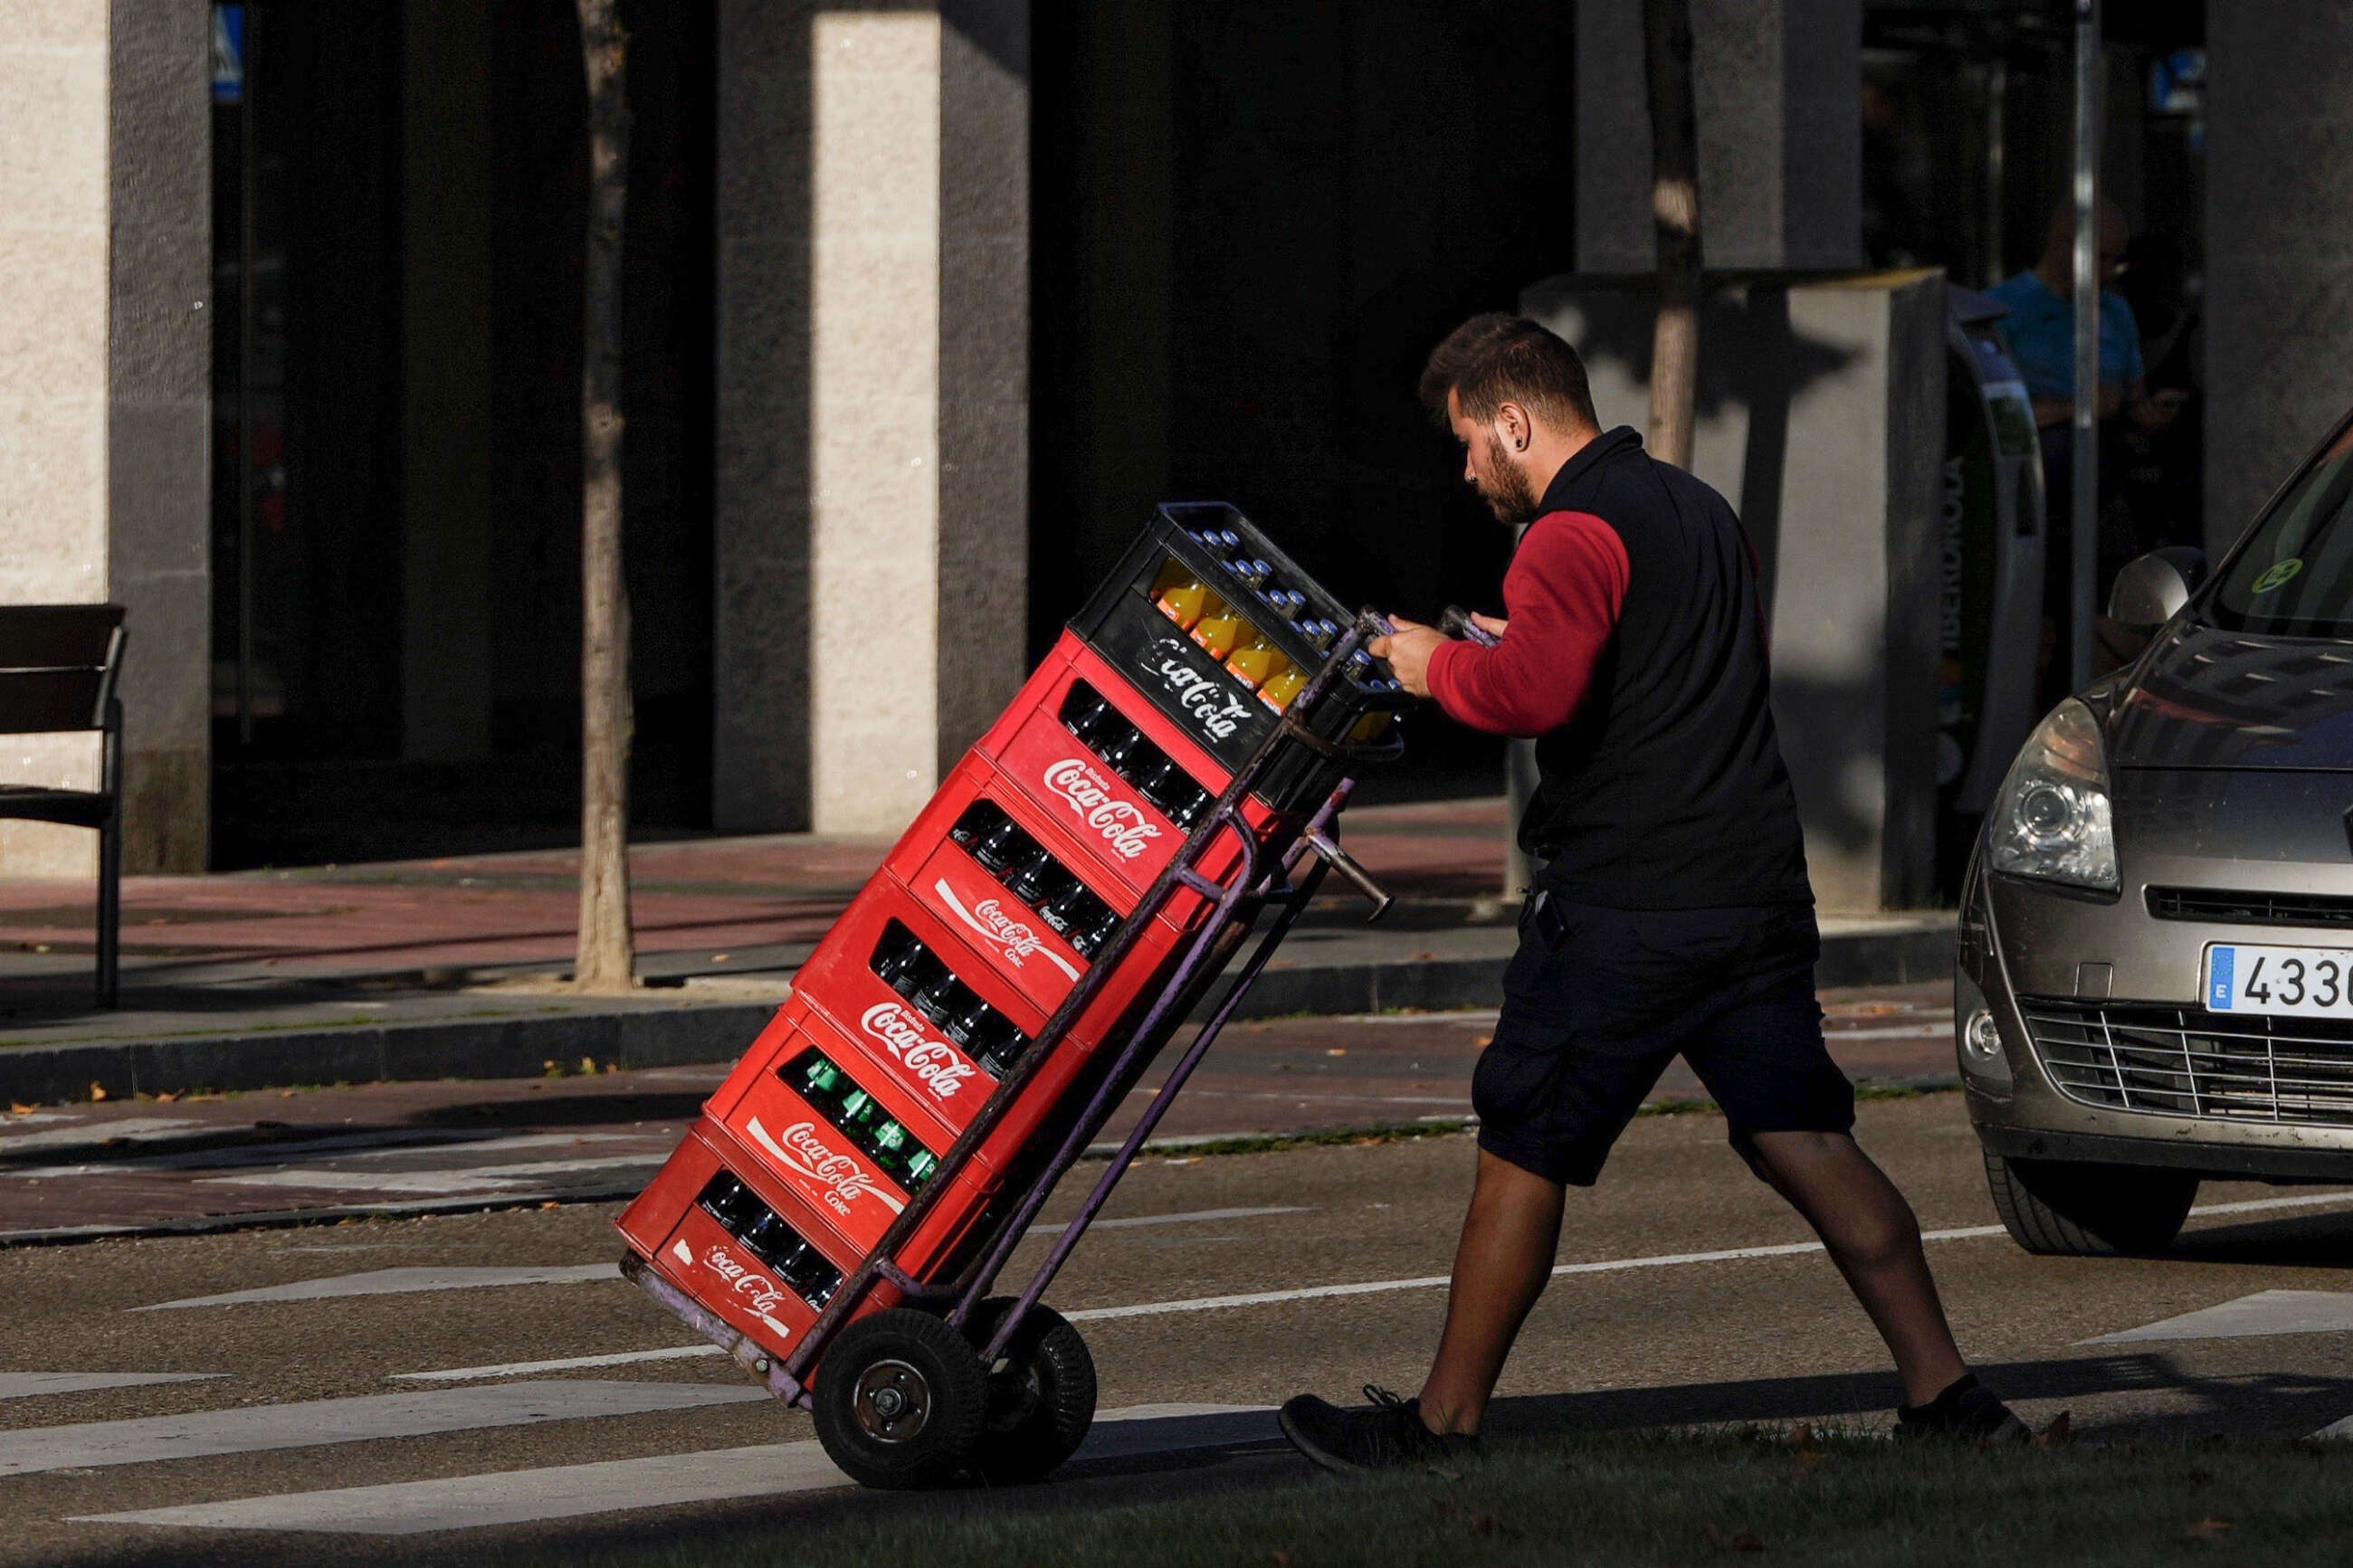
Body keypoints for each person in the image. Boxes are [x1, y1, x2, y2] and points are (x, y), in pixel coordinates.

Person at [1276, 314, 2024, 1472]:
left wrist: (1435, 662)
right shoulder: (1694, 507)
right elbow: (1643, 666)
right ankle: (1948, 1391)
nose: (1466, 469)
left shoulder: (1566, 534)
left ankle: (1440, 1424)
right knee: (1799, 1133)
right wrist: (1508, 641)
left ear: (1515, 420)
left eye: (1471, 442)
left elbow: (1528, 693)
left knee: (1521, 1141)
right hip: (1750, 893)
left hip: (1626, 904)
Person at [1989, 201, 2186, 694]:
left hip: (2103, 486)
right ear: (2063, 247)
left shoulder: (2114, 311)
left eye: (2116, 260)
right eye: (2099, 258)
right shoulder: (2007, 309)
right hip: (2032, 490)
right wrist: (2077, 406)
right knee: (2034, 626)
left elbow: (2130, 398)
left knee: (2117, 617)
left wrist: (2150, 413)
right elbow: (1991, 417)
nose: (2108, 272)